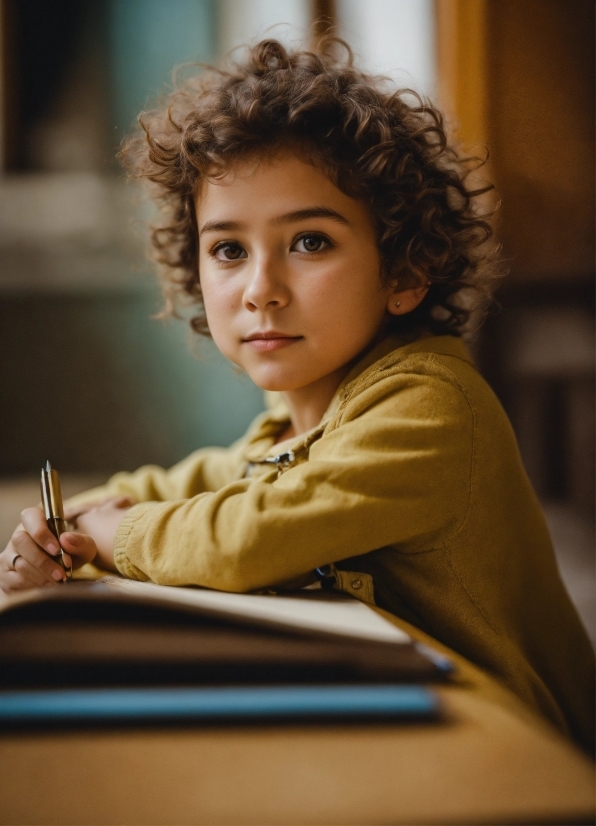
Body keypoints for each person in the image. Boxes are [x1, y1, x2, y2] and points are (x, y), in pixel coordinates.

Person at [1, 39, 593, 751]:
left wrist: (110, 534)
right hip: (395, 729)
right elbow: (178, 486)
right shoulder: (285, 431)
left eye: (310, 242)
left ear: (405, 271)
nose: (260, 290)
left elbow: (248, 535)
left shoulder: (431, 409)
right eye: (228, 249)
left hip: (517, 759)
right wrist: (61, 527)